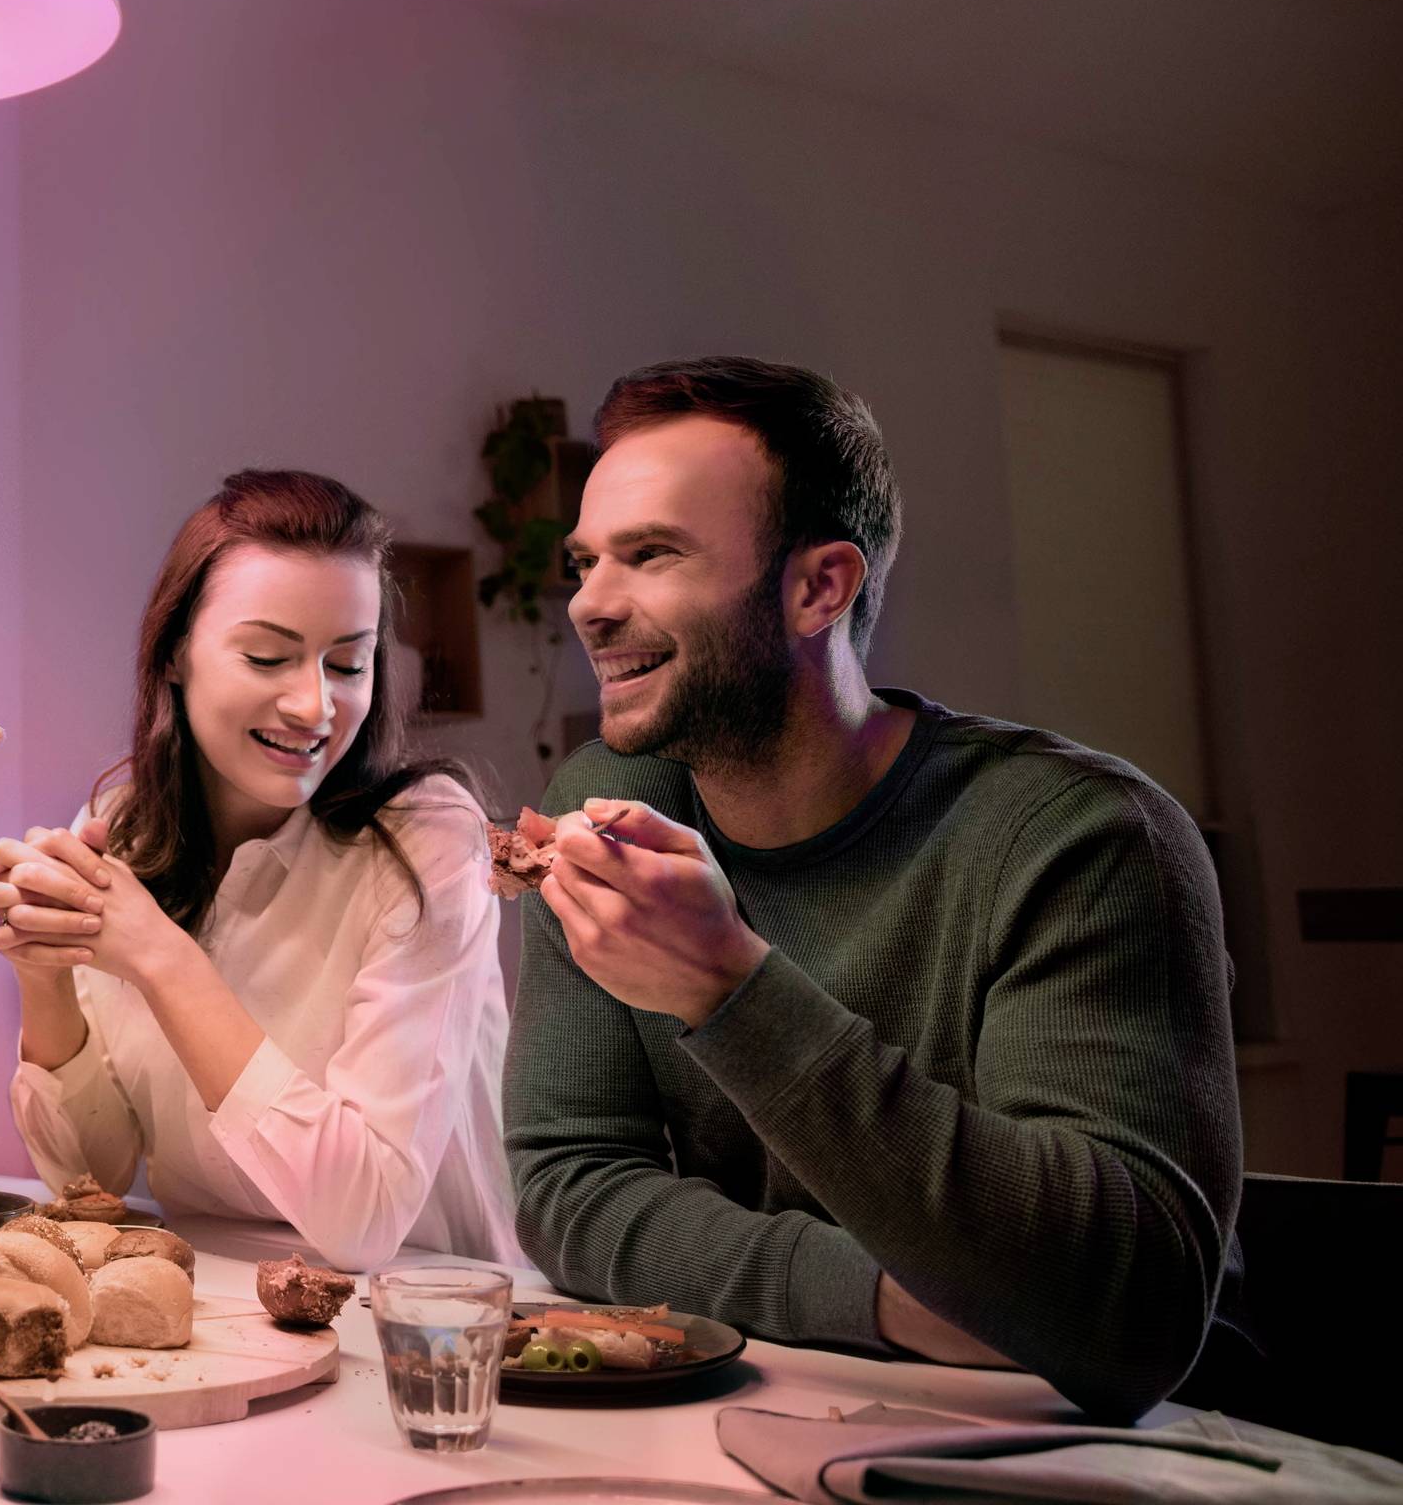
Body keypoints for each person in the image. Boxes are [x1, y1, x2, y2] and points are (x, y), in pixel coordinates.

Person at [504, 357, 1239, 1421]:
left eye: (652, 554)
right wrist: (889, 1293)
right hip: (800, 1404)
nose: (589, 605)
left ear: (819, 586)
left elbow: (1129, 1315)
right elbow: (569, 1186)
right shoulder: (614, 799)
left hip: (1127, 1448)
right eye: (586, 562)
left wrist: (731, 989)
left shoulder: (1080, 838)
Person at [0, 470, 520, 1272]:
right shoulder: (126, 832)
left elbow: (363, 1218)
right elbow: (92, 1181)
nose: (314, 705)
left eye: (347, 665)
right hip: (213, 1313)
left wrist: (162, 959)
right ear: (174, 656)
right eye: (269, 657)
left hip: (418, 1326)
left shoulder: (428, 840)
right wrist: (43, 977)